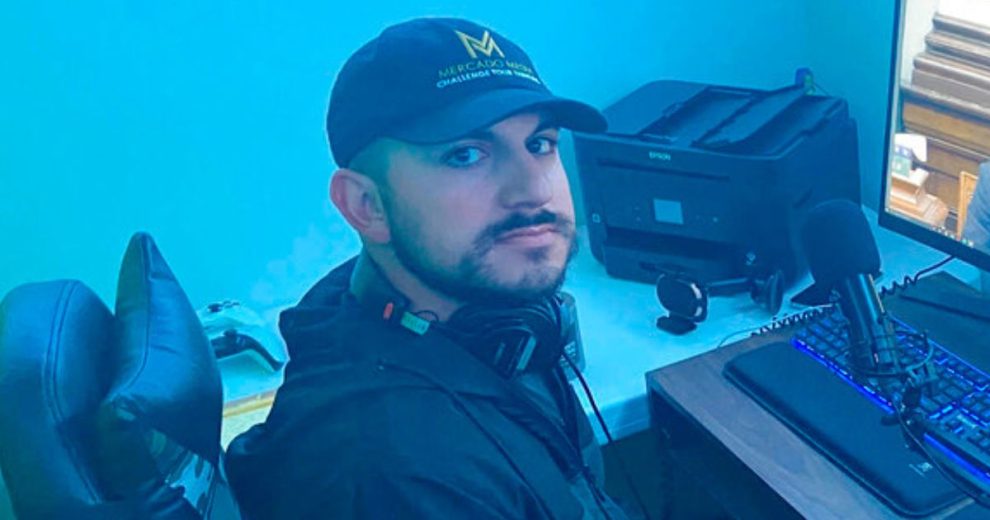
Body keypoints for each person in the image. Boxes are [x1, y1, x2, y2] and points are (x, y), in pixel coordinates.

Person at [225, 17, 630, 519]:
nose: (534, 189)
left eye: (540, 144)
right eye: (466, 155)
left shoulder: (458, 311)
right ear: (366, 205)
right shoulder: (399, 480)